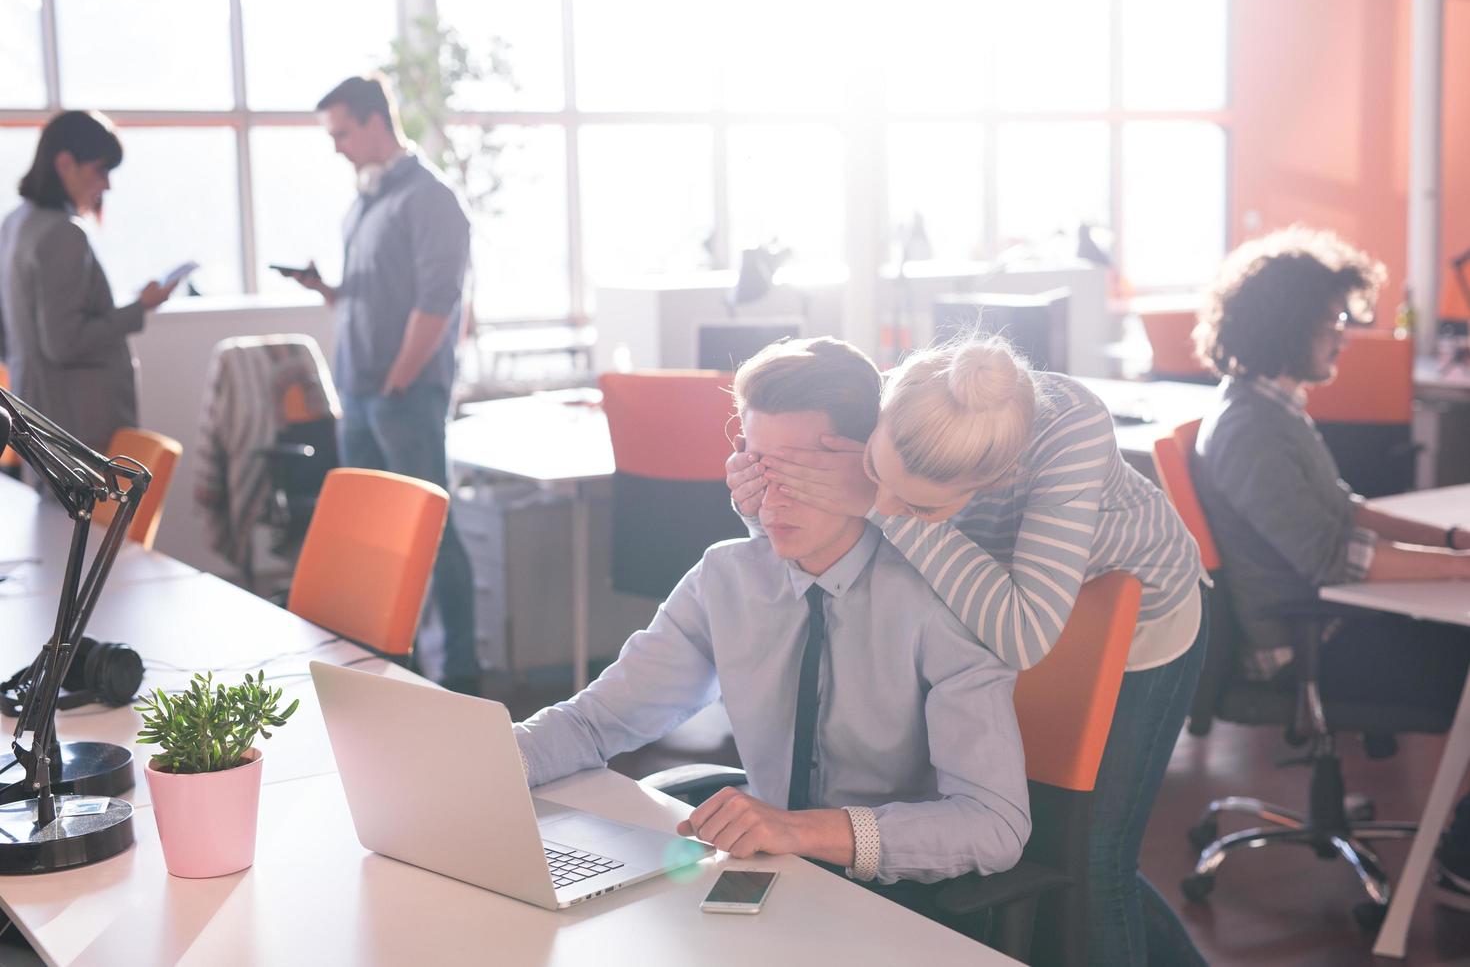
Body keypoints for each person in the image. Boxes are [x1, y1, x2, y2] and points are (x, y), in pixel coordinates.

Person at [727, 334, 1208, 965]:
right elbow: (846, 542)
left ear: (996, 480)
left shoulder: (1072, 431)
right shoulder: (916, 397)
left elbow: (1026, 632)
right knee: (1054, 845)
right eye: (876, 470)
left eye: (921, 506)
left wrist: (878, 503)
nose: (889, 504)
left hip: (1135, 623)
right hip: (995, 605)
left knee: (1093, 858)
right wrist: (765, 501)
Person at [516, 337, 1030, 912]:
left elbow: (994, 825)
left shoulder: (940, 607)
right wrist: (485, 759)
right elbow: (594, 723)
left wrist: (801, 829)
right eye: (759, 466)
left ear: (864, 468)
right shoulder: (726, 578)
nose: (772, 498)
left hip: (892, 903)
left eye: (800, 471)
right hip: (763, 886)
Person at [1190, 226, 1470, 891]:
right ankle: (1462, 859)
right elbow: (1330, 557)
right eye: (1334, 319)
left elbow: (1347, 507)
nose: (1344, 333)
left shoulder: (1272, 407)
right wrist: (1462, 570)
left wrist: (1455, 542)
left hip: (1326, 622)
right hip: (1303, 645)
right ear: (1292, 324)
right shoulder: (1251, 428)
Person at [283, 74, 478, 694]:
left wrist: (397, 380)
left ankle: (462, 676)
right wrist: (326, 291)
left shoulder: (429, 199)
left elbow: (437, 301)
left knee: (432, 538)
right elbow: (374, 295)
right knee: (375, 541)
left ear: (374, 121)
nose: (336, 146)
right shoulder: (364, 202)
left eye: (342, 132)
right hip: (361, 395)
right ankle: (396, 675)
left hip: (402, 397)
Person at [0, 111, 178, 453]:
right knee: (93, 509)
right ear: (66, 163)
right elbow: (64, 342)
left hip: (35, 412)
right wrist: (139, 308)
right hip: (75, 423)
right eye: (101, 170)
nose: (106, 185)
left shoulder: (15, 223)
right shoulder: (62, 233)